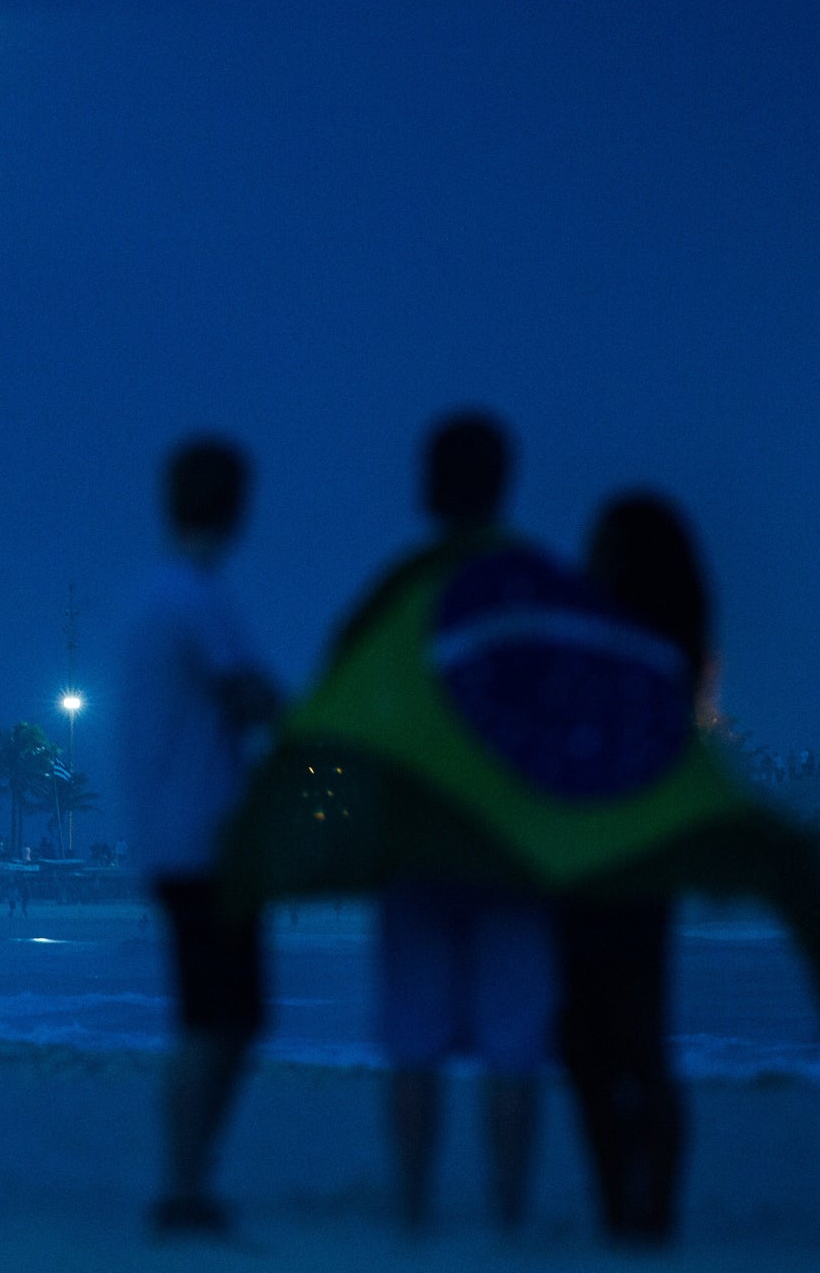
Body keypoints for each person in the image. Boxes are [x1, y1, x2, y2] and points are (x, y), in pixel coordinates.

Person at [366, 413, 552, 1233]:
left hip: (416, 850)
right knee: (514, 1052)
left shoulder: (401, 592)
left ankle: (415, 1217)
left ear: (427, 487)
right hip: (509, 848)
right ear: (506, 483)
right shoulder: (537, 590)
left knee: (415, 1044)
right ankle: (507, 1221)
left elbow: (356, 719)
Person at [118, 435, 283, 1235]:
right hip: (207, 844)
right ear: (237, 507)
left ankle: (185, 1180)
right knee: (227, 1019)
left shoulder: (158, 596)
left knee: (211, 1018)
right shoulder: (196, 596)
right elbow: (250, 695)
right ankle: (183, 1184)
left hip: (172, 842)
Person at [558, 493, 706, 1245]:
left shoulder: (626, 650)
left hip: (592, 864)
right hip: (638, 866)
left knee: (596, 1042)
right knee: (628, 1037)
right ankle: (642, 1210)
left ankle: (630, 1205)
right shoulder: (671, 656)